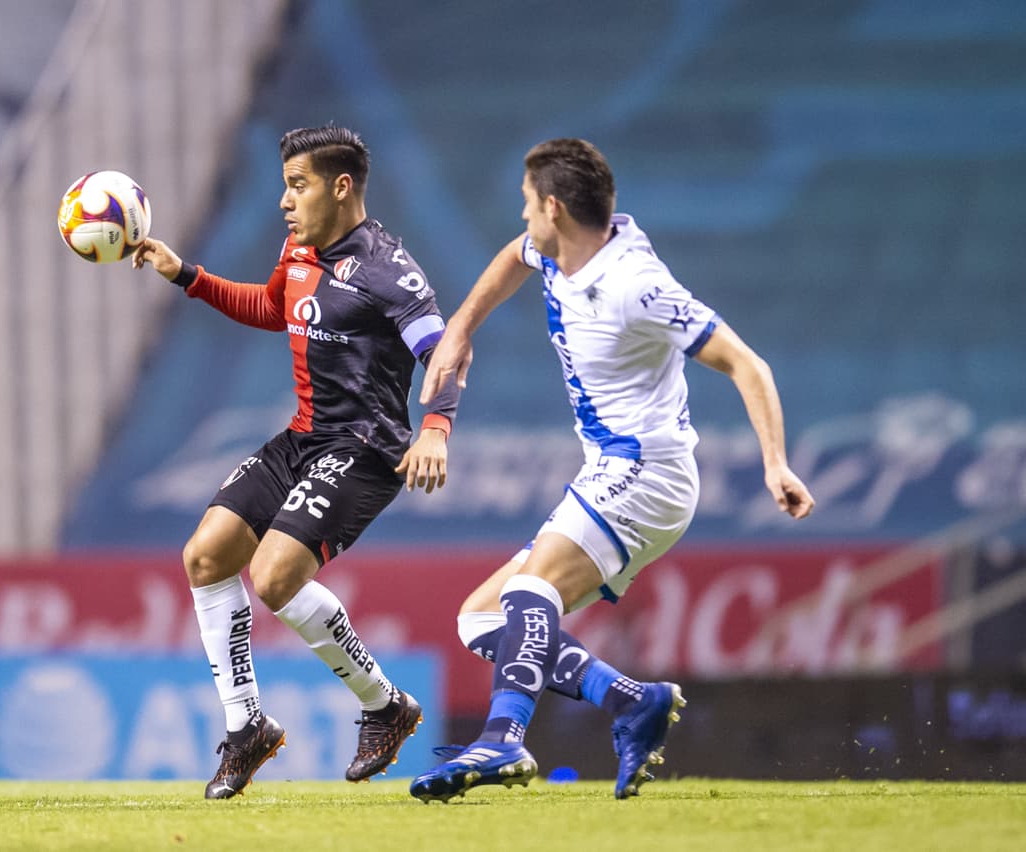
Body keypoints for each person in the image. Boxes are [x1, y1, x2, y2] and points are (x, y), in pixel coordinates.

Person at [408, 138, 815, 803]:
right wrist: (460, 328)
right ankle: (632, 701)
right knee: (481, 620)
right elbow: (514, 257)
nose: (523, 217)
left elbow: (748, 364)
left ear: (554, 207)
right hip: (610, 468)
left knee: (531, 590)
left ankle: (502, 738)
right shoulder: (560, 249)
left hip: (648, 472)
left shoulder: (636, 285)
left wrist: (776, 464)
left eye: (527, 203)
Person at [132, 125, 458, 799]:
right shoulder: (299, 247)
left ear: (341, 187)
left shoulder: (388, 271)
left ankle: (385, 706)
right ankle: (246, 726)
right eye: (284, 185)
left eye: (298, 185)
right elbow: (273, 307)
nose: (285, 200)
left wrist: (435, 430)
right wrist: (185, 274)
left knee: (275, 576)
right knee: (206, 556)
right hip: (304, 437)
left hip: (364, 448)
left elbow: (446, 351)